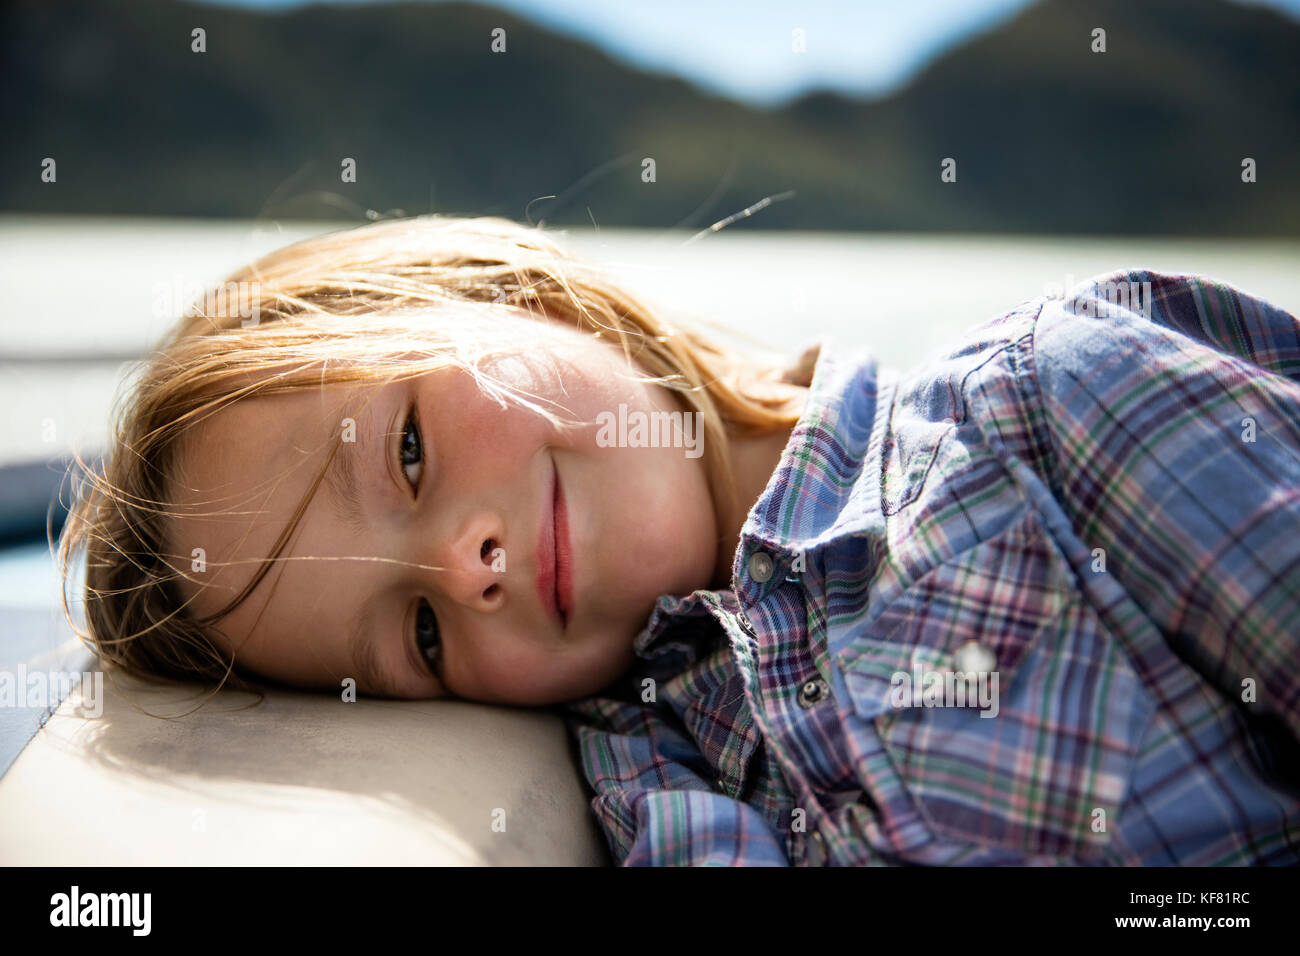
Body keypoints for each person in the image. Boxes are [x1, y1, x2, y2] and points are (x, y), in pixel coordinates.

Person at [58, 215, 1300, 865]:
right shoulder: (644, 773)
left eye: (410, 452)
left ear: (515, 297)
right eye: (420, 631)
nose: (460, 564)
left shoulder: (1043, 407)